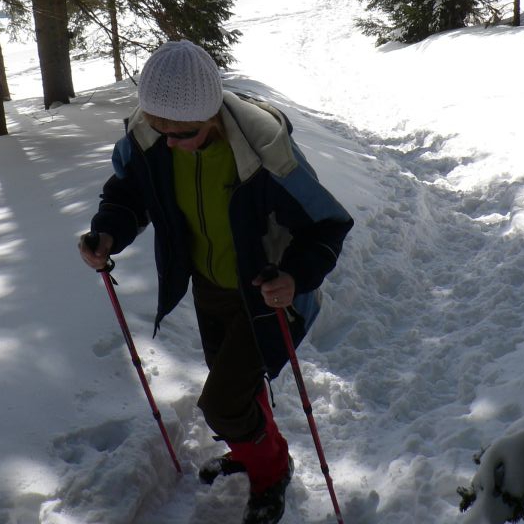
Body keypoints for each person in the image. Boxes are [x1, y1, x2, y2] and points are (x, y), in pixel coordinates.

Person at [79, 39, 353, 524]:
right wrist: (107, 233)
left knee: (223, 405)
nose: (168, 141)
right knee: (238, 390)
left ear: (210, 117)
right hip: (209, 285)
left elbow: (328, 223)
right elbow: (127, 191)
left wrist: (294, 276)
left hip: (267, 294)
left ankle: (270, 471)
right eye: (159, 127)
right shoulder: (148, 136)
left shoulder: (263, 148)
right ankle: (254, 451)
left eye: (181, 133)